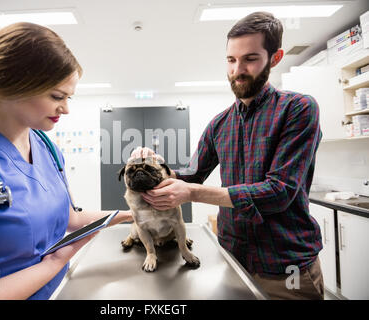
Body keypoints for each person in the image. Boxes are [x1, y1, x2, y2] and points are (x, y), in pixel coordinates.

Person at [0, 22, 131, 300]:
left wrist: (133, 214)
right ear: (15, 87)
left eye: (69, 97)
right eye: (57, 96)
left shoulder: (47, 148)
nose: (65, 108)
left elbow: (72, 218)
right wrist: (53, 264)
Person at [131, 12, 324, 300]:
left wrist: (192, 192)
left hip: (286, 267)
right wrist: (154, 166)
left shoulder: (298, 109)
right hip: (234, 257)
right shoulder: (220, 124)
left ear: (275, 57)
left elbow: (279, 191)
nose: (238, 69)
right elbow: (189, 174)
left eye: (250, 59)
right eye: (231, 60)